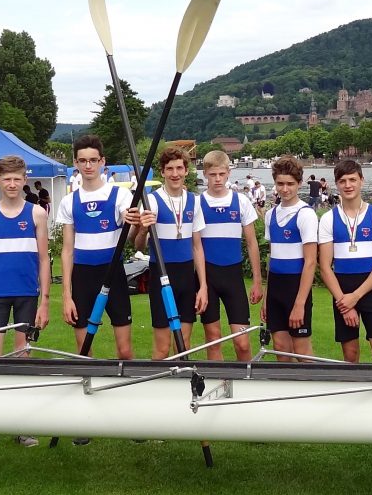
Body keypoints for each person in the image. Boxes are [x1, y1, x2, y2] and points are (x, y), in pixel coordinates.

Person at [0, 155, 51, 450]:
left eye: (17, 178)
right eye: (7, 179)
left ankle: (21, 425)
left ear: (24, 179)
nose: (12, 184)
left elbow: (44, 260)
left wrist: (45, 302)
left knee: (22, 358)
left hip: (27, 294)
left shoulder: (37, 213)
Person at [57, 135, 149, 363]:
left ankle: (125, 385)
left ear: (102, 162)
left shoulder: (121, 195)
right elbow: (67, 251)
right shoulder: (69, 201)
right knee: (84, 353)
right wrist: (67, 295)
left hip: (113, 274)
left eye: (93, 160)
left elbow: (130, 231)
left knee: (125, 352)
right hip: (82, 278)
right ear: (76, 163)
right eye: (82, 160)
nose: (88, 165)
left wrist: (135, 222)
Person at [133, 147, 208, 360]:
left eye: (179, 168)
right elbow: (138, 246)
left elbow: (197, 247)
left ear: (186, 170)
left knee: (184, 346)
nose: (175, 174)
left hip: (186, 277)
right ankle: (158, 380)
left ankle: (183, 380)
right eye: (170, 169)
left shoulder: (194, 201)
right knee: (162, 348)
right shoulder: (152, 201)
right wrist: (143, 229)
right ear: (163, 172)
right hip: (161, 275)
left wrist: (202, 286)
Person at [318, 159, 372, 363]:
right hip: (342, 293)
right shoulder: (328, 219)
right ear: (336, 184)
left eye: (352, 180)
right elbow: (325, 267)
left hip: (371, 291)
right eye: (342, 181)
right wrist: (345, 302)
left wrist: (356, 296)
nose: (348, 185)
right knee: (350, 356)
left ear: (361, 181)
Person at [197, 150, 262, 361]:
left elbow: (252, 243)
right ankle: (219, 380)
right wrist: (201, 286)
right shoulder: (197, 203)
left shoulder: (241, 201)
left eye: (221, 174)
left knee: (242, 343)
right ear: (205, 174)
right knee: (213, 339)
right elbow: (194, 246)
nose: (217, 179)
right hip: (208, 278)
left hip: (233, 277)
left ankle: (246, 378)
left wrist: (257, 282)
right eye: (212, 174)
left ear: (228, 173)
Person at [261, 156, 317, 361]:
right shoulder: (270, 215)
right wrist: (267, 297)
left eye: (290, 184)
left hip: (296, 287)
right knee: (280, 349)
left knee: (301, 350)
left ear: (299, 183)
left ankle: (314, 383)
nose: (285, 189)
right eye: (280, 183)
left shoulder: (306, 214)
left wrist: (300, 303)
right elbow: (272, 258)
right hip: (276, 288)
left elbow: (310, 262)